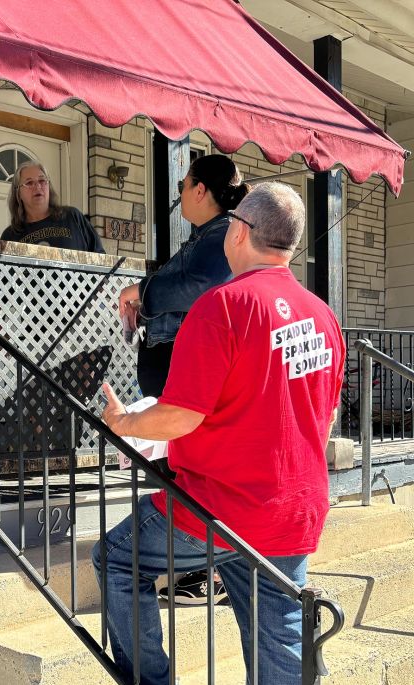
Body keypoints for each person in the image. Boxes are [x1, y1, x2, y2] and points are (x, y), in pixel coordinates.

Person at [89, 183, 344, 685]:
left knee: (117, 559)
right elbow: (320, 411)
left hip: (217, 507)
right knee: (277, 639)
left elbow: (183, 414)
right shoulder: (323, 316)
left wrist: (123, 421)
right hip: (293, 507)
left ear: (238, 230)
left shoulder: (222, 307)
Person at [119, 154, 249, 605]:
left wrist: (145, 291)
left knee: (188, 467)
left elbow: (202, 288)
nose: (178, 193)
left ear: (199, 190)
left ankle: (205, 572)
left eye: (183, 184)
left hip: (184, 365)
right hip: (172, 361)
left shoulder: (221, 238)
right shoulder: (207, 236)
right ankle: (206, 569)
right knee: (177, 465)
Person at [0, 162, 106, 253]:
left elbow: (101, 259)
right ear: (18, 193)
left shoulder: (72, 217)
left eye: (42, 180)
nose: (37, 186)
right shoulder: (10, 236)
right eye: (29, 182)